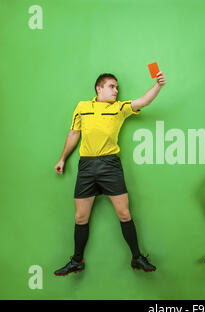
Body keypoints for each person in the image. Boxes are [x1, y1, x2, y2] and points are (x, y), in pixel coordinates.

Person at [54, 71, 166, 276]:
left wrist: (157, 86)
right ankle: (77, 261)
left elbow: (142, 101)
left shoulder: (119, 108)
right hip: (86, 167)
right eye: (112, 86)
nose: (116, 90)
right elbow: (74, 133)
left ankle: (137, 258)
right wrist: (62, 158)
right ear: (99, 88)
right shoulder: (82, 107)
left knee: (124, 214)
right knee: (80, 217)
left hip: (110, 166)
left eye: (117, 87)